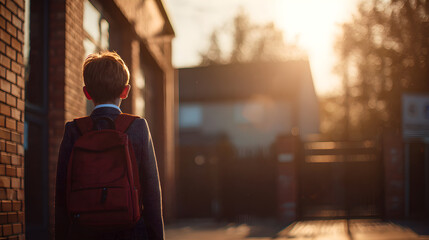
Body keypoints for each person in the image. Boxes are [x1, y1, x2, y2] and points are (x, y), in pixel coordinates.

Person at [55, 51, 164, 240]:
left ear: (86, 93)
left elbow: (62, 197)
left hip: (83, 232)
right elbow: (152, 194)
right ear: (126, 91)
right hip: (131, 232)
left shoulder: (74, 130)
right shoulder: (137, 127)